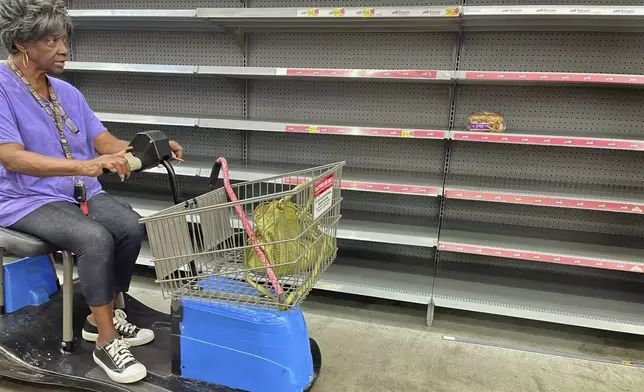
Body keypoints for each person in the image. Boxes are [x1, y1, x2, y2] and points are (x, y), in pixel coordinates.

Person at [0, 0, 184, 384]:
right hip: (22, 197)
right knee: (93, 237)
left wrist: (149, 148)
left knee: (130, 225)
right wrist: (84, 166)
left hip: (76, 189)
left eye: (64, 39)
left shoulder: (67, 92)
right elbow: (13, 159)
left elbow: (104, 141)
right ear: (21, 43)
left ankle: (96, 317)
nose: (63, 49)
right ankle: (106, 340)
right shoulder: (2, 89)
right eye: (51, 41)